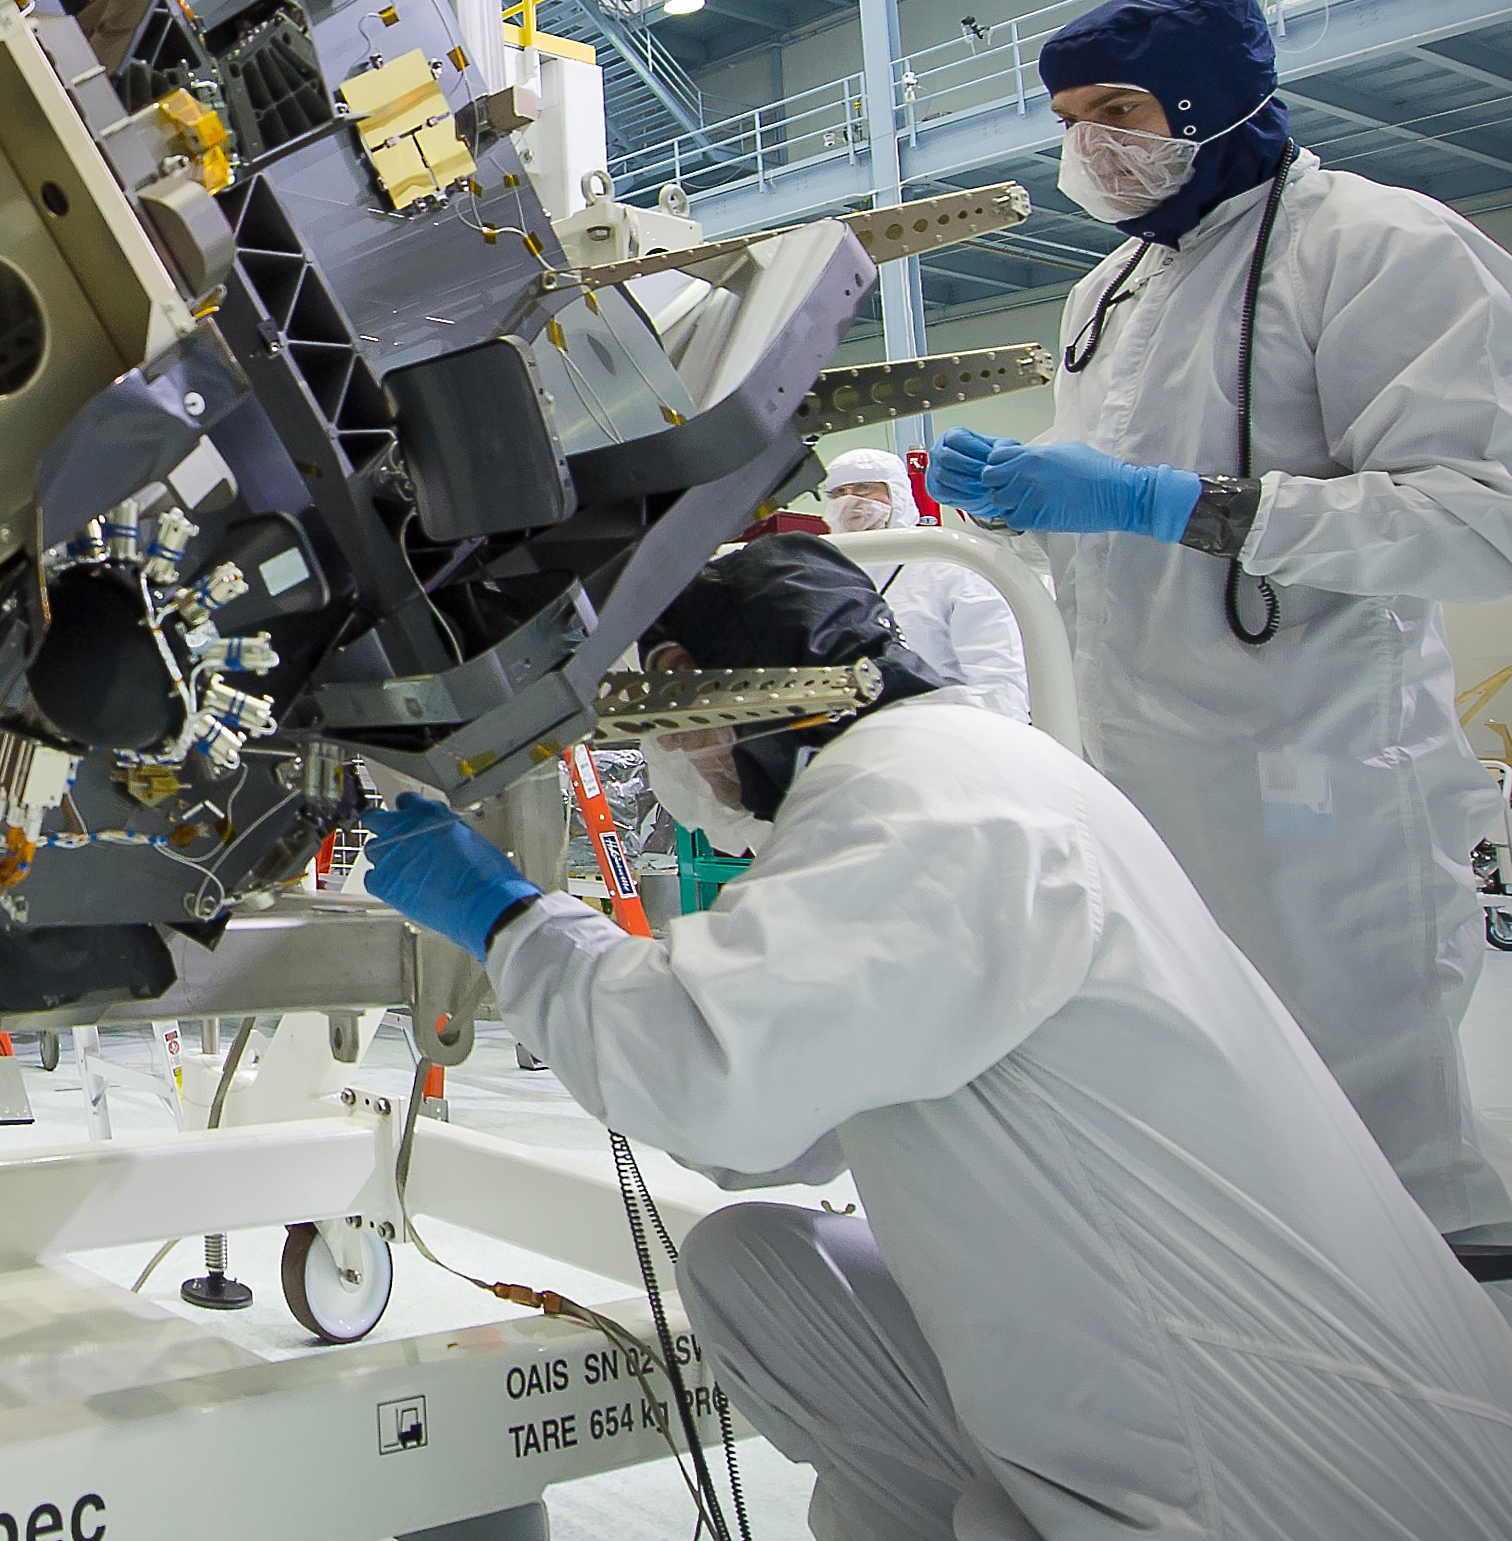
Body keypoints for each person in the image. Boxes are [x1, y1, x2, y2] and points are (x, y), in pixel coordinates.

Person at [362, 538, 1512, 1541]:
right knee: (763, 1273)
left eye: (667, 723)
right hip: (1179, 1370)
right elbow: (775, 1139)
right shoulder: (942, 774)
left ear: (708, 698)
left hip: (1279, 1474)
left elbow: (710, 1077)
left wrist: (504, 918)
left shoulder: (930, 801)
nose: (667, 759)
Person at [926, 0, 1512, 1241]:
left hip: (1318, 787)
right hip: (1138, 779)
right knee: (1211, 1137)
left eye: (1117, 111)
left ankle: (1448, 1349)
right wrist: (1017, 508)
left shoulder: (1376, 248)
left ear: (1208, 98)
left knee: (1371, 1151)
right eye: (1068, 120)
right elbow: (1112, 527)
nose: (1089, 148)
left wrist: (1169, 503)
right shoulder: (1108, 293)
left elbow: (1481, 517)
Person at [817, 446, 1028, 722]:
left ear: (897, 493)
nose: (849, 502)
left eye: (864, 488)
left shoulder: (951, 568)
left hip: (949, 730)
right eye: (838, 493)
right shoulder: (826, 579)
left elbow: (1000, 685)